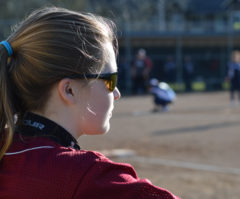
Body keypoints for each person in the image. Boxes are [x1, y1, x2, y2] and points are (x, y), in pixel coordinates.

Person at [0, 7, 180, 199]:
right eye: (111, 80)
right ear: (69, 90)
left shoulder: (7, 150)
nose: (116, 93)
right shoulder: (87, 176)